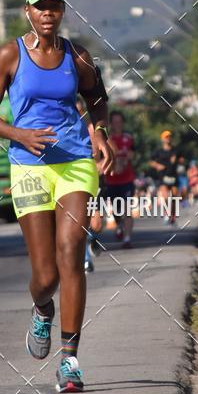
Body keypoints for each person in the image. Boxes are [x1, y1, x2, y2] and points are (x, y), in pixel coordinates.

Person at [0, 0, 114, 393]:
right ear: (28, 12)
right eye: (41, 7)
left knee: (71, 249)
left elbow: (97, 98)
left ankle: (70, 359)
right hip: (29, 166)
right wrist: (20, 135)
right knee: (46, 276)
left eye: (55, 6)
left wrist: (100, 134)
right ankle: (42, 311)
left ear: (62, 10)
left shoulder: (79, 57)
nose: (48, 14)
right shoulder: (9, 56)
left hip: (74, 162)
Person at [76, 97, 104, 273]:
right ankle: (85, 260)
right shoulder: (63, 131)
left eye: (80, 111)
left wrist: (101, 164)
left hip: (93, 182)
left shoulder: (93, 130)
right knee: (79, 223)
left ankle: (93, 239)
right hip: (74, 182)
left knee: (96, 224)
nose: (77, 115)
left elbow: (109, 149)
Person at [103, 110, 136, 248]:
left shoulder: (128, 138)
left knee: (127, 209)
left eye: (120, 122)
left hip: (127, 179)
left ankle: (127, 239)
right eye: (115, 122)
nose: (117, 124)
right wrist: (114, 164)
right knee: (117, 211)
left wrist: (125, 160)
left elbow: (132, 154)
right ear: (111, 124)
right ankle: (119, 225)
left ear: (123, 123)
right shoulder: (106, 139)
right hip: (111, 181)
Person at [148, 130, 179, 224]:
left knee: (173, 197)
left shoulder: (175, 150)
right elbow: (151, 162)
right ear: (162, 139)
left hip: (173, 176)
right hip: (162, 176)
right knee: (165, 196)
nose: (168, 139)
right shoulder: (158, 151)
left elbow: (182, 159)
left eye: (169, 137)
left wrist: (178, 160)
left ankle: (172, 215)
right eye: (166, 137)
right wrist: (157, 166)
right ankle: (167, 213)